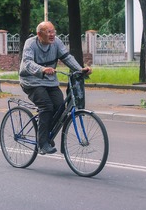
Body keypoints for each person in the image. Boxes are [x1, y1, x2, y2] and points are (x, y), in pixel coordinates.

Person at [19, 21, 92, 155]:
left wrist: (80, 70)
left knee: (60, 107)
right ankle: (42, 143)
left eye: (53, 31)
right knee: (46, 106)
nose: (52, 35)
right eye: (48, 32)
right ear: (39, 34)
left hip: (50, 81)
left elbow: (67, 57)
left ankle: (46, 136)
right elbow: (28, 63)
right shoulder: (30, 43)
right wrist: (42, 69)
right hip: (31, 81)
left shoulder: (57, 43)